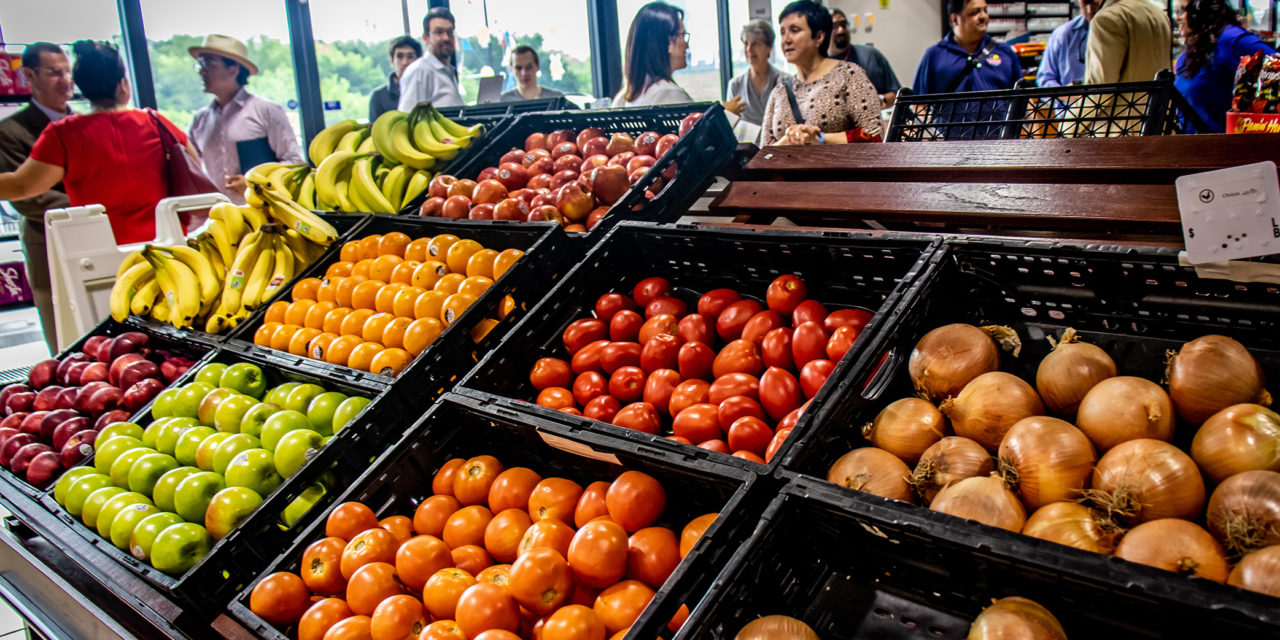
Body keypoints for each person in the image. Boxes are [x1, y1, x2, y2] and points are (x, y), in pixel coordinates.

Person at [0, 40, 201, 246]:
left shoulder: (64, 133)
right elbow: (195, 167)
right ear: (122, 84)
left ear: (81, 85)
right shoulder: (156, 123)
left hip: (97, 249)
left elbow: (22, 186)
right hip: (165, 242)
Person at [0, 43, 73, 350]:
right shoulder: (10, 131)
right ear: (29, 75)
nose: (66, 79)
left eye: (68, 71)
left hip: (100, 236)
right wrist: (95, 207)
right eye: (55, 73)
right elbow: (28, 200)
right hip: (46, 240)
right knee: (62, 333)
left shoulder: (83, 122)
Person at [188, 34, 304, 204]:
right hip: (217, 216)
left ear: (233, 69)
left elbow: (295, 164)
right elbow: (192, 167)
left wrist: (256, 183)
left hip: (265, 212)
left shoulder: (266, 111)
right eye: (200, 64)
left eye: (209, 63)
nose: (202, 71)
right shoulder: (200, 120)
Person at [760, 1, 884, 146]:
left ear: (819, 37)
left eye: (794, 30)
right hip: (788, 168)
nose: (786, 40)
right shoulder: (779, 91)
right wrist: (786, 142)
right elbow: (764, 155)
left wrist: (820, 139)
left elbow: (874, 135)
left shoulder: (849, 75)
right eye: (782, 32)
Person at [1174, 0, 1277, 133]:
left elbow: (1275, 65)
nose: (1176, 17)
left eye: (1180, 10)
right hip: (1189, 148)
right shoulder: (1189, 53)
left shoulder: (1231, 40)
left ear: (1200, 8)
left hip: (1225, 149)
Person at [913, 0, 1023, 95]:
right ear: (955, 19)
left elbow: (1024, 99)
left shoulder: (1005, 52)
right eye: (975, 12)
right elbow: (919, 105)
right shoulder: (934, 56)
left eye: (985, 11)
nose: (983, 16)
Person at [613, 2, 695, 107]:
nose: (686, 45)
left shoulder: (622, 99)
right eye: (682, 35)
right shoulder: (669, 95)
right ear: (668, 41)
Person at [1083, 0, 1172, 84]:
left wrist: (1078, 98)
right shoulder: (1159, 14)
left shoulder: (1106, 19)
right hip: (1157, 99)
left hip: (1125, 100)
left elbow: (1101, 91)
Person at [829, 8, 901, 107]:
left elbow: (897, 95)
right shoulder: (819, 64)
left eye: (843, 24)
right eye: (834, 26)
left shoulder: (871, 55)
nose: (841, 30)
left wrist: (879, 101)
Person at [398, 7, 464, 111]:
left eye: (450, 32)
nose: (446, 38)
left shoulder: (448, 70)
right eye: (439, 32)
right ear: (426, 38)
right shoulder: (420, 71)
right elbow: (408, 117)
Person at [727, 20, 789, 128]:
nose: (749, 49)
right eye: (746, 43)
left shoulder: (786, 82)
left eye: (755, 44)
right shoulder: (735, 85)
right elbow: (730, 126)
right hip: (746, 144)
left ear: (769, 47)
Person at [1037, 0, 1101, 87]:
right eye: (1085, 3)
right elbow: (1045, 79)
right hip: (1069, 99)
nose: (1089, 10)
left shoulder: (1116, 32)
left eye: (1094, 4)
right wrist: (1064, 95)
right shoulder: (1063, 34)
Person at [369, 36, 422, 121]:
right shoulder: (378, 96)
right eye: (399, 56)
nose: (405, 62)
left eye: (410, 56)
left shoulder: (429, 90)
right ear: (392, 61)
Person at [500, 46, 565, 102]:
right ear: (511, 70)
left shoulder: (557, 99)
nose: (524, 73)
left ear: (537, 67)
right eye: (518, 68)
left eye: (529, 67)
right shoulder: (502, 101)